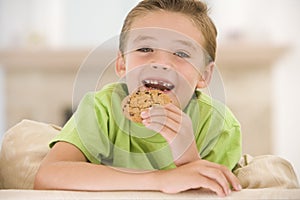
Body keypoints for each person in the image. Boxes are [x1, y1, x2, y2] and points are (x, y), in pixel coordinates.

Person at [34, 0, 242, 197]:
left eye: (181, 53)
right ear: (122, 64)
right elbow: (48, 176)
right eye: (145, 49)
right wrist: (160, 180)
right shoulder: (101, 109)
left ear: (204, 75)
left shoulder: (220, 125)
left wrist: (188, 158)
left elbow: (211, 192)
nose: (161, 63)